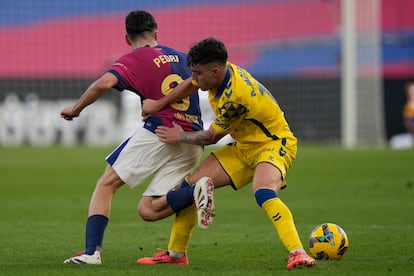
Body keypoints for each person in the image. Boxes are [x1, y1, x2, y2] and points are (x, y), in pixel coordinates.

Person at [138, 37, 316, 270]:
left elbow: (211, 137)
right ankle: (176, 253)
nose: (195, 77)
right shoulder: (217, 73)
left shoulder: (235, 97)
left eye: (199, 73)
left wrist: (179, 136)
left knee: (263, 192)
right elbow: (190, 84)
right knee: (192, 187)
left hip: (273, 144)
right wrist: (160, 104)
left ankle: (298, 253)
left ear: (214, 70)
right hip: (244, 147)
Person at [61, 10, 213, 265]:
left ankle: (91, 253)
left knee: (106, 184)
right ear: (156, 33)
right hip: (190, 141)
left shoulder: (133, 59)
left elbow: (103, 84)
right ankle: (196, 191)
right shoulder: (183, 57)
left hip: (160, 133)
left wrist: (76, 109)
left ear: (126, 37)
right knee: (149, 210)